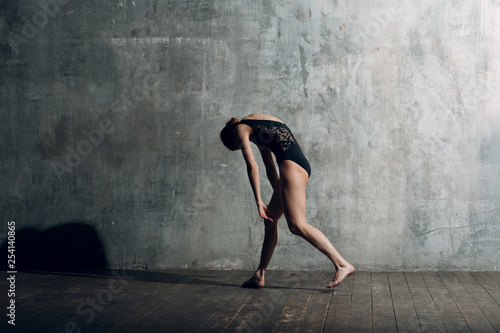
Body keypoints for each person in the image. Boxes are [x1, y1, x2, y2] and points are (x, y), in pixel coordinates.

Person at [220, 113, 355, 288]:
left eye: (237, 146)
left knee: (297, 225)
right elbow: (269, 165)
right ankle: (260, 274)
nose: (242, 145)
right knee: (271, 220)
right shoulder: (256, 126)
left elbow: (251, 165)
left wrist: (259, 201)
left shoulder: (240, 129)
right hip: (295, 166)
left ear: (233, 137)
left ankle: (342, 264)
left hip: (292, 168)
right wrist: (279, 191)